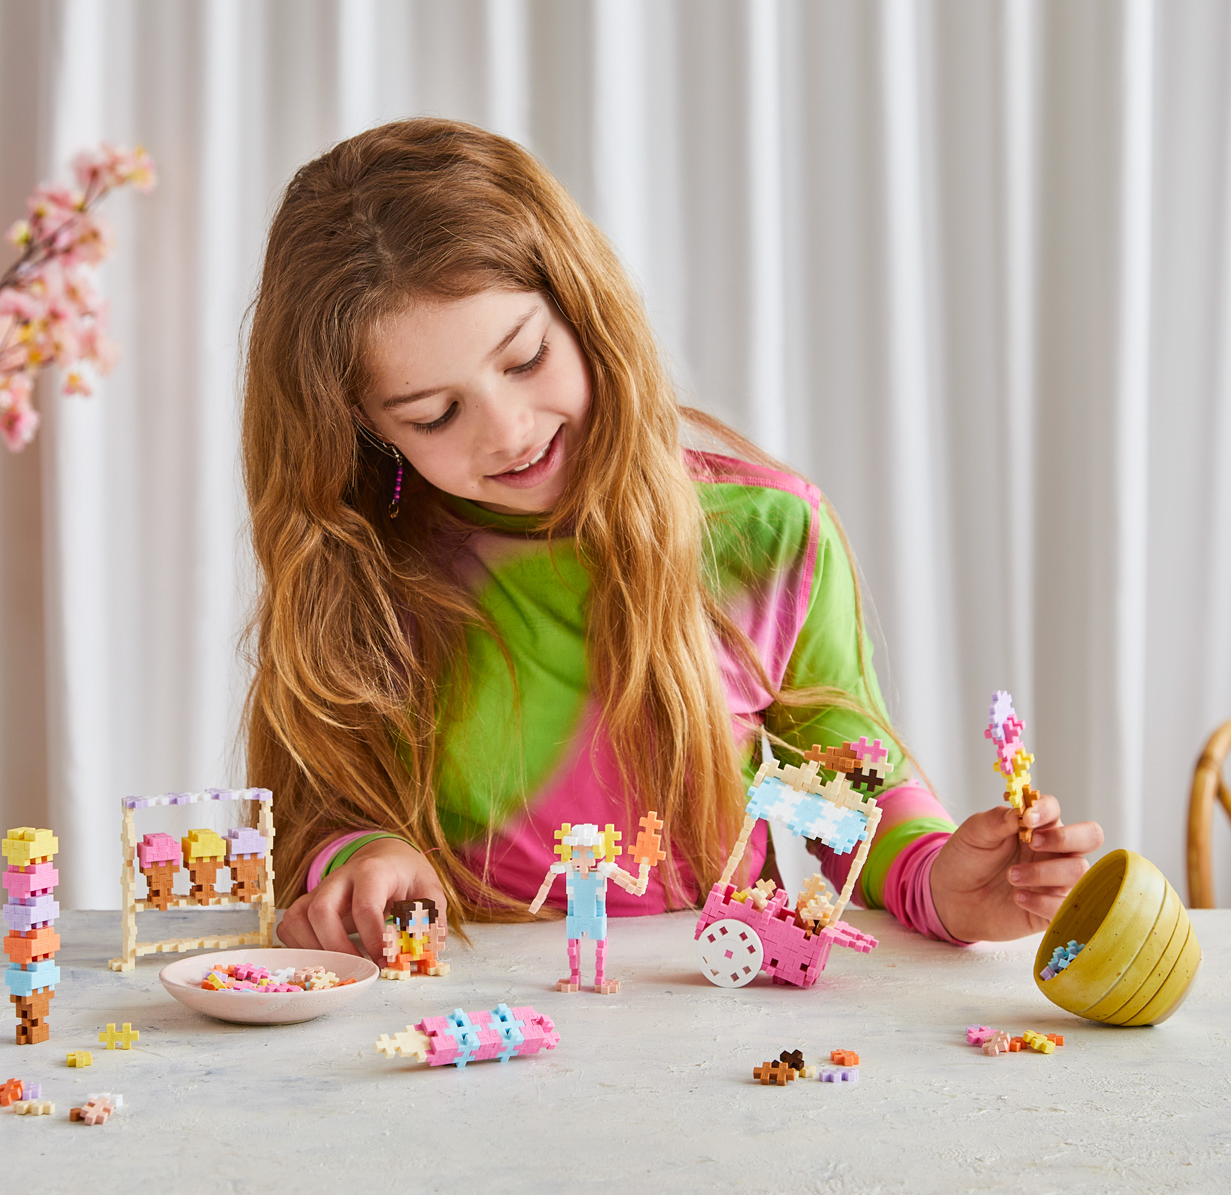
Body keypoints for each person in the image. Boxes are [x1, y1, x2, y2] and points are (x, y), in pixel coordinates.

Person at [243, 118, 1103, 963]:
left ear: (583, 309)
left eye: (527, 358)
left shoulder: (766, 537)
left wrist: (938, 880)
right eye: (435, 414)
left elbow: (842, 783)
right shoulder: (364, 567)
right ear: (364, 428)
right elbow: (319, 814)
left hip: (711, 1015)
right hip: (470, 1017)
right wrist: (360, 858)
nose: (508, 431)